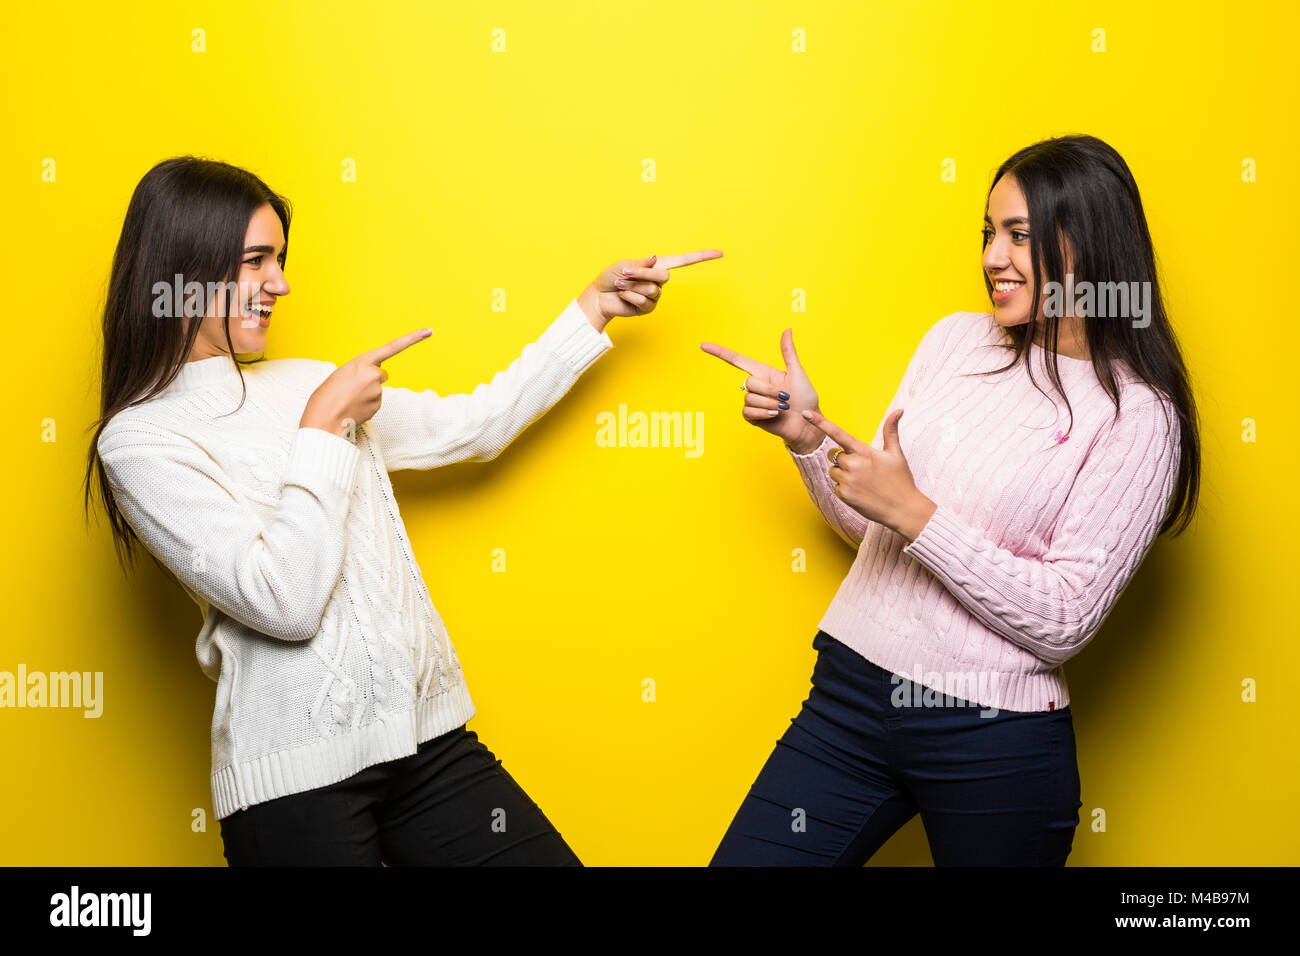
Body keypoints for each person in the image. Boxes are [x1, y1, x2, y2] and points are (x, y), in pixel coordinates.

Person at [82, 155, 721, 865]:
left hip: (427, 745)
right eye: (256, 261)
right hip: (296, 790)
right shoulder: (141, 440)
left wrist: (592, 309)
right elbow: (283, 600)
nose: (281, 284)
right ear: (183, 271)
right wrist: (324, 428)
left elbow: (476, 427)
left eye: (281, 260)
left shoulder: (309, 382)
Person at [701, 134, 1200, 866]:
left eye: (1019, 235)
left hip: (993, 741)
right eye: (988, 233)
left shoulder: (1138, 416)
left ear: (1087, 246)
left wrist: (913, 511)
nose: (993, 257)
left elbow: (1066, 618)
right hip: (848, 697)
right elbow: (880, 530)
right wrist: (805, 438)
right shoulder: (955, 343)